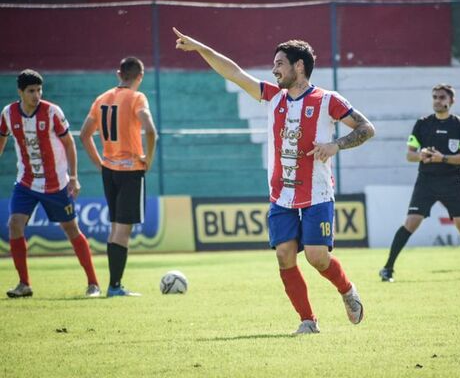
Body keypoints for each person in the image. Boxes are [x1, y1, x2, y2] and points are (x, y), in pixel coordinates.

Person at [173, 27, 375, 334]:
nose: (274, 69)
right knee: (284, 255)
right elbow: (235, 73)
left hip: (318, 193)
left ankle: (347, 291)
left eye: (279, 63)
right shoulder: (273, 96)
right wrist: (200, 47)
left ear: (299, 66)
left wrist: (336, 145)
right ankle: (308, 321)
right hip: (281, 195)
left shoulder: (327, 100)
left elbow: (366, 128)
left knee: (318, 258)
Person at [0, 69, 100, 298]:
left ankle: (93, 283)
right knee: (15, 224)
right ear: (20, 92)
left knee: (71, 229)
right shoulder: (8, 113)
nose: (36, 95)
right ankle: (24, 284)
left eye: (39, 90)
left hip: (55, 184)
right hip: (25, 182)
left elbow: (69, 144)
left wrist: (73, 177)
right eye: (31, 91)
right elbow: (1, 138)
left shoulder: (52, 112)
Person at [379, 84, 460, 282]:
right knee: (411, 222)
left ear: (451, 101)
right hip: (426, 181)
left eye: (442, 97)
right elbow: (409, 155)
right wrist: (421, 155)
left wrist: (442, 158)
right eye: (435, 96)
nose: (437, 100)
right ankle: (387, 268)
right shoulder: (422, 123)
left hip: (452, 181)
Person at [80, 57, 157, 297]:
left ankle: (114, 285)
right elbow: (151, 129)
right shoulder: (137, 98)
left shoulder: (101, 99)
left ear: (118, 74)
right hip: (130, 170)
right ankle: (115, 287)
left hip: (109, 170)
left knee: (115, 228)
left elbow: (84, 135)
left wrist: (99, 163)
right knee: (123, 231)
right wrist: (148, 159)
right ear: (140, 77)